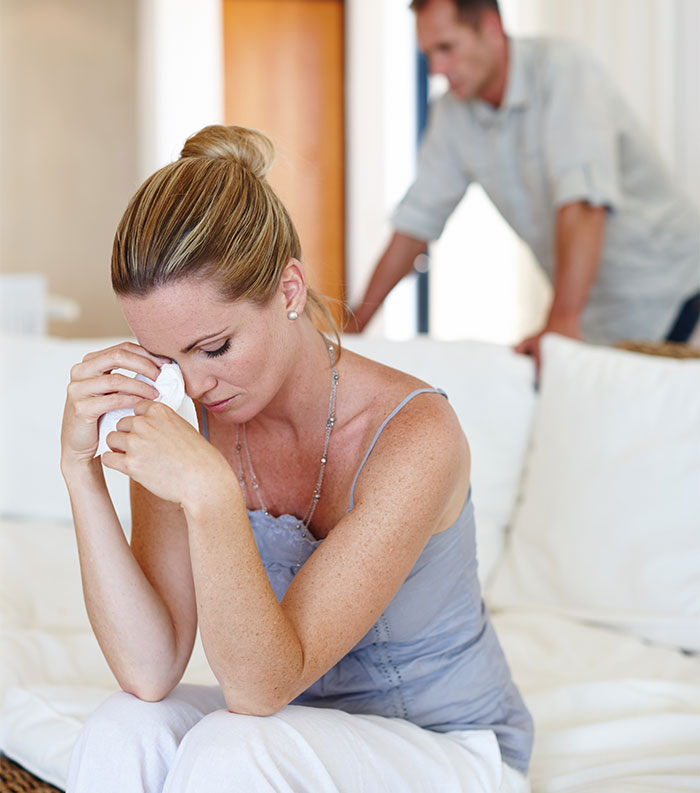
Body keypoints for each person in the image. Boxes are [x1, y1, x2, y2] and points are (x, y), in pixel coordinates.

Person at [60, 124, 533, 792]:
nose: (192, 386)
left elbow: (257, 689)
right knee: (121, 723)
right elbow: (149, 668)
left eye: (215, 347)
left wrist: (211, 494)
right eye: (166, 357)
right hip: (288, 731)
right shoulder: (187, 416)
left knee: (234, 747)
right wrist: (79, 471)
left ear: (287, 291)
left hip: (449, 747)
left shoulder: (415, 435)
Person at [347, 0, 700, 362]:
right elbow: (411, 229)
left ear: (491, 28)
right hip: (604, 325)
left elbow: (584, 203)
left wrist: (561, 320)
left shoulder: (563, 70)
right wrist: (349, 334)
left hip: (679, 296)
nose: (437, 69)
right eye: (428, 54)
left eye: (446, 48)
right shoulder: (452, 115)